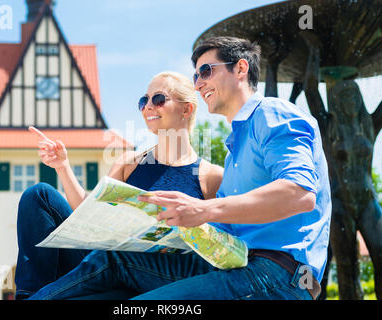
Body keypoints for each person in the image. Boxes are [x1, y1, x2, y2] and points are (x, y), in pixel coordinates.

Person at [135, 36, 332, 300]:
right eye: (195, 77)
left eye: (206, 71)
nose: (198, 83)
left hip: (279, 275)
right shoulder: (234, 153)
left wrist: (203, 209)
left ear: (240, 68)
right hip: (237, 266)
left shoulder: (275, 114)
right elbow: (222, 231)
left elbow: (300, 193)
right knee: (117, 262)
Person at [14, 71, 224, 300]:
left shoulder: (211, 176)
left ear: (186, 109)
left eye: (158, 99)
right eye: (144, 101)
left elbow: (214, 245)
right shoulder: (129, 162)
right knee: (39, 195)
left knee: (113, 260)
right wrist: (63, 166)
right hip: (100, 263)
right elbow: (88, 212)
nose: (148, 107)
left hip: (149, 277)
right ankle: (29, 295)